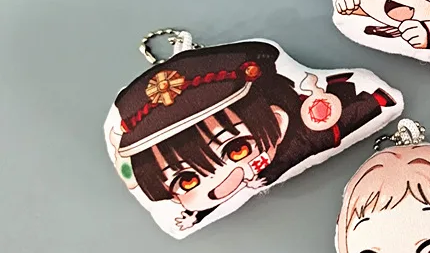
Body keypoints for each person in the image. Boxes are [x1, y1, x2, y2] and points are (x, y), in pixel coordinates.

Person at [112, 41, 396, 231]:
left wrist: (373, 104)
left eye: (235, 149)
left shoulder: (309, 130)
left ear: (278, 120)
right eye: (186, 181)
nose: (221, 179)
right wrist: (194, 217)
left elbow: (357, 112)